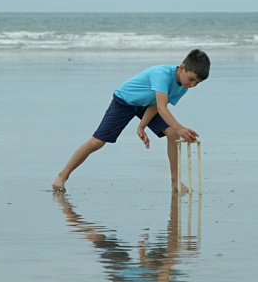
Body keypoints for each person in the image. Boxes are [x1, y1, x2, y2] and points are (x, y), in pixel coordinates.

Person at [52, 49, 210, 193]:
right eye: (191, 79)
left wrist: (142, 125)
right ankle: (63, 175)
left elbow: (155, 105)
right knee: (97, 142)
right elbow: (162, 107)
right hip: (124, 101)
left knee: (173, 133)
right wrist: (181, 127)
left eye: (197, 82)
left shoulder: (183, 86)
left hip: (147, 104)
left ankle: (175, 182)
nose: (193, 85)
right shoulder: (162, 73)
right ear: (182, 67)